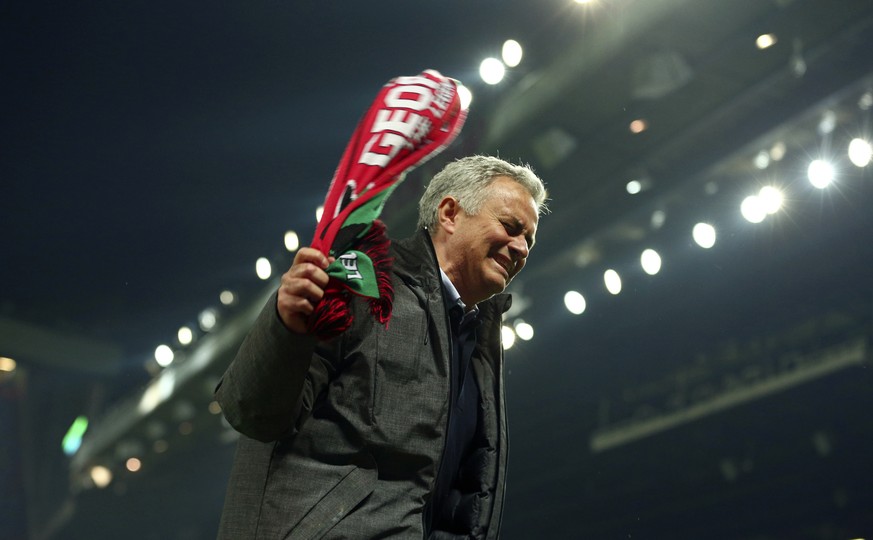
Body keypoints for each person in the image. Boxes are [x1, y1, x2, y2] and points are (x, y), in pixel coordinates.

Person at [215, 155, 547, 539]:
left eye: (529, 240)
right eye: (510, 227)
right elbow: (254, 413)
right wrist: (284, 326)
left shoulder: (480, 341)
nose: (522, 248)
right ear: (451, 214)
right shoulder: (360, 283)